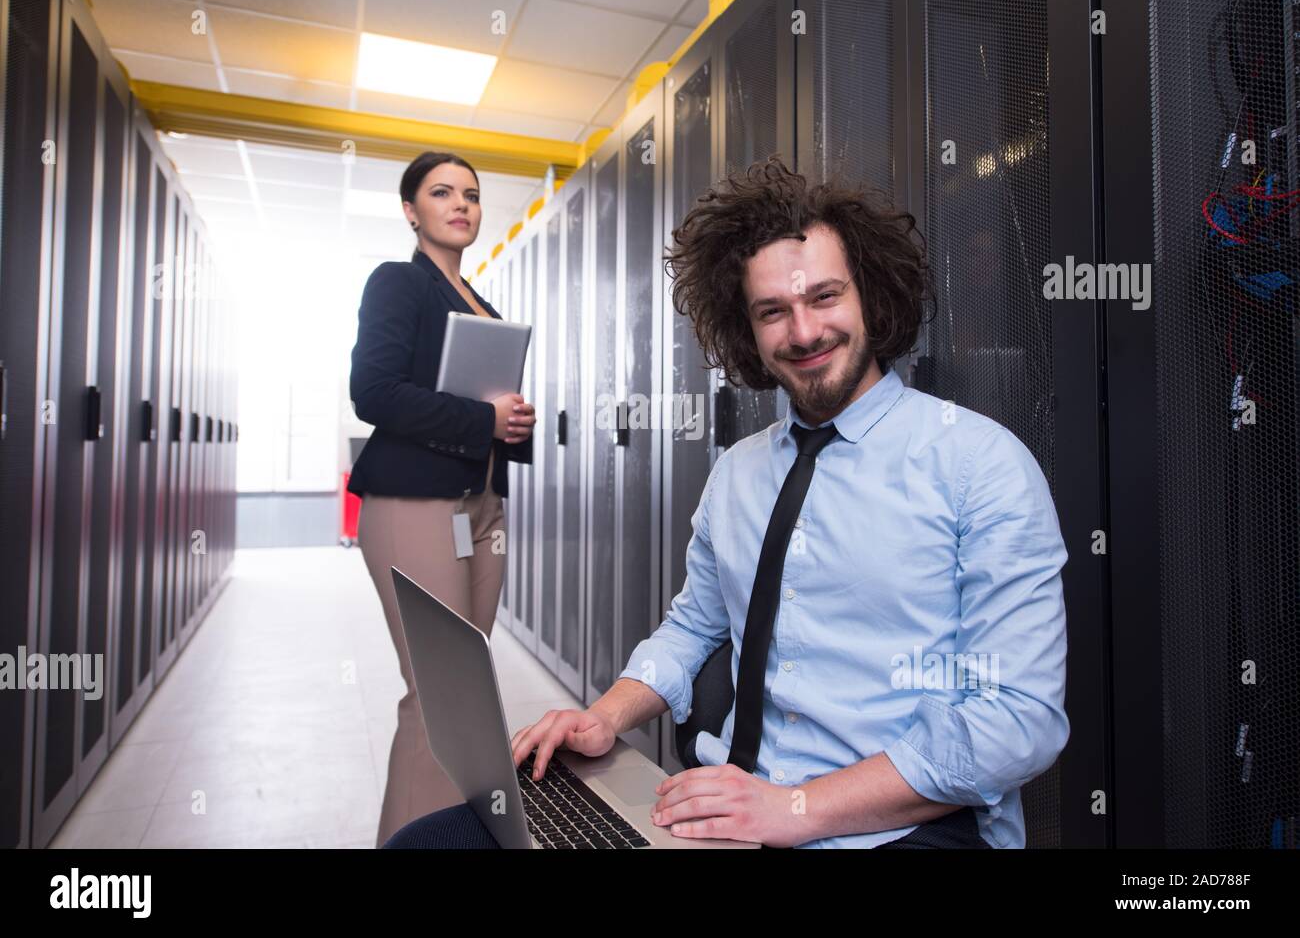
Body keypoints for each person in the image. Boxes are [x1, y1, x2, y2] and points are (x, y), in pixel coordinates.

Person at [387, 154, 1067, 849]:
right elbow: (693, 627)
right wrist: (606, 715)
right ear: (746, 329)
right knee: (428, 842)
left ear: (874, 297)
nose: (803, 333)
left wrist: (795, 807)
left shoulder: (979, 464)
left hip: (903, 828)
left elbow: (1018, 719)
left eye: (825, 297)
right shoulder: (738, 473)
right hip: (730, 808)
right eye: (773, 311)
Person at [349, 151, 536, 847]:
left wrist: (511, 422)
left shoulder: (483, 305)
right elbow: (374, 391)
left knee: (469, 698)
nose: (461, 204)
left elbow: (484, 411)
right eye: (441, 192)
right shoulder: (400, 284)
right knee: (437, 695)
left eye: (472, 194)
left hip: (482, 506)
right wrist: (480, 420)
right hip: (414, 502)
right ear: (411, 211)